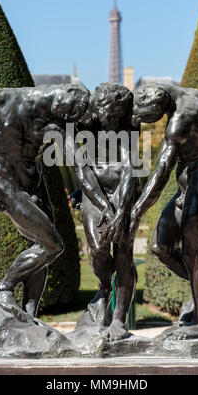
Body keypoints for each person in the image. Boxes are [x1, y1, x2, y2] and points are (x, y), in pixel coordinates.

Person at [0, 83, 90, 322]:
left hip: (36, 184)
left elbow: (76, 161)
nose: (67, 119)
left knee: (42, 247)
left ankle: (30, 315)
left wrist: (89, 192)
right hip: (6, 184)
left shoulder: (58, 121)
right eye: (69, 113)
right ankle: (3, 288)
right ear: (60, 95)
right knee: (52, 245)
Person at [129, 83, 198, 340]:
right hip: (190, 185)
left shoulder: (180, 120)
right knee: (162, 247)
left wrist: (136, 211)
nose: (142, 122)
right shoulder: (197, 95)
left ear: (157, 104)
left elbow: (160, 173)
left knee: (194, 255)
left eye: (144, 116)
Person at [76, 83, 141, 342]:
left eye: (117, 114)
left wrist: (122, 210)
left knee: (124, 253)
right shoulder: (84, 125)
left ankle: (119, 319)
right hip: (95, 191)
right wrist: (104, 205)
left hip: (123, 191)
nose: (112, 120)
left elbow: (129, 169)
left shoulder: (129, 126)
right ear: (98, 109)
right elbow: (82, 169)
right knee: (98, 247)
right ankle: (103, 288)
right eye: (108, 114)